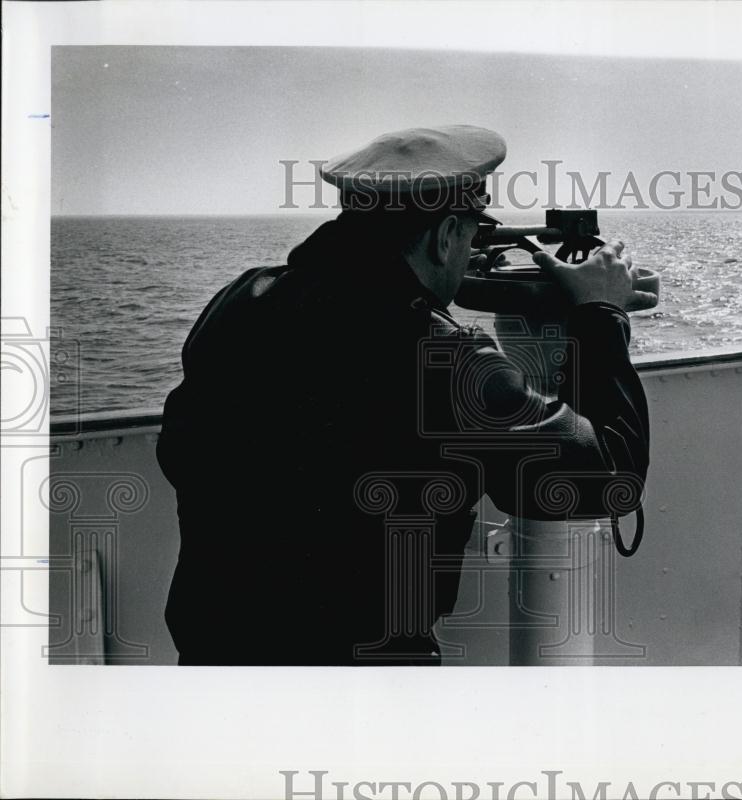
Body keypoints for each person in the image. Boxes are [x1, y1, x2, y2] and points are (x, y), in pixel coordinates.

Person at [156, 125, 651, 665]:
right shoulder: (446, 361)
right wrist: (602, 314)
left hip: (215, 660)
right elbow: (607, 481)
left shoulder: (239, 302)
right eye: (467, 236)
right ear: (443, 238)